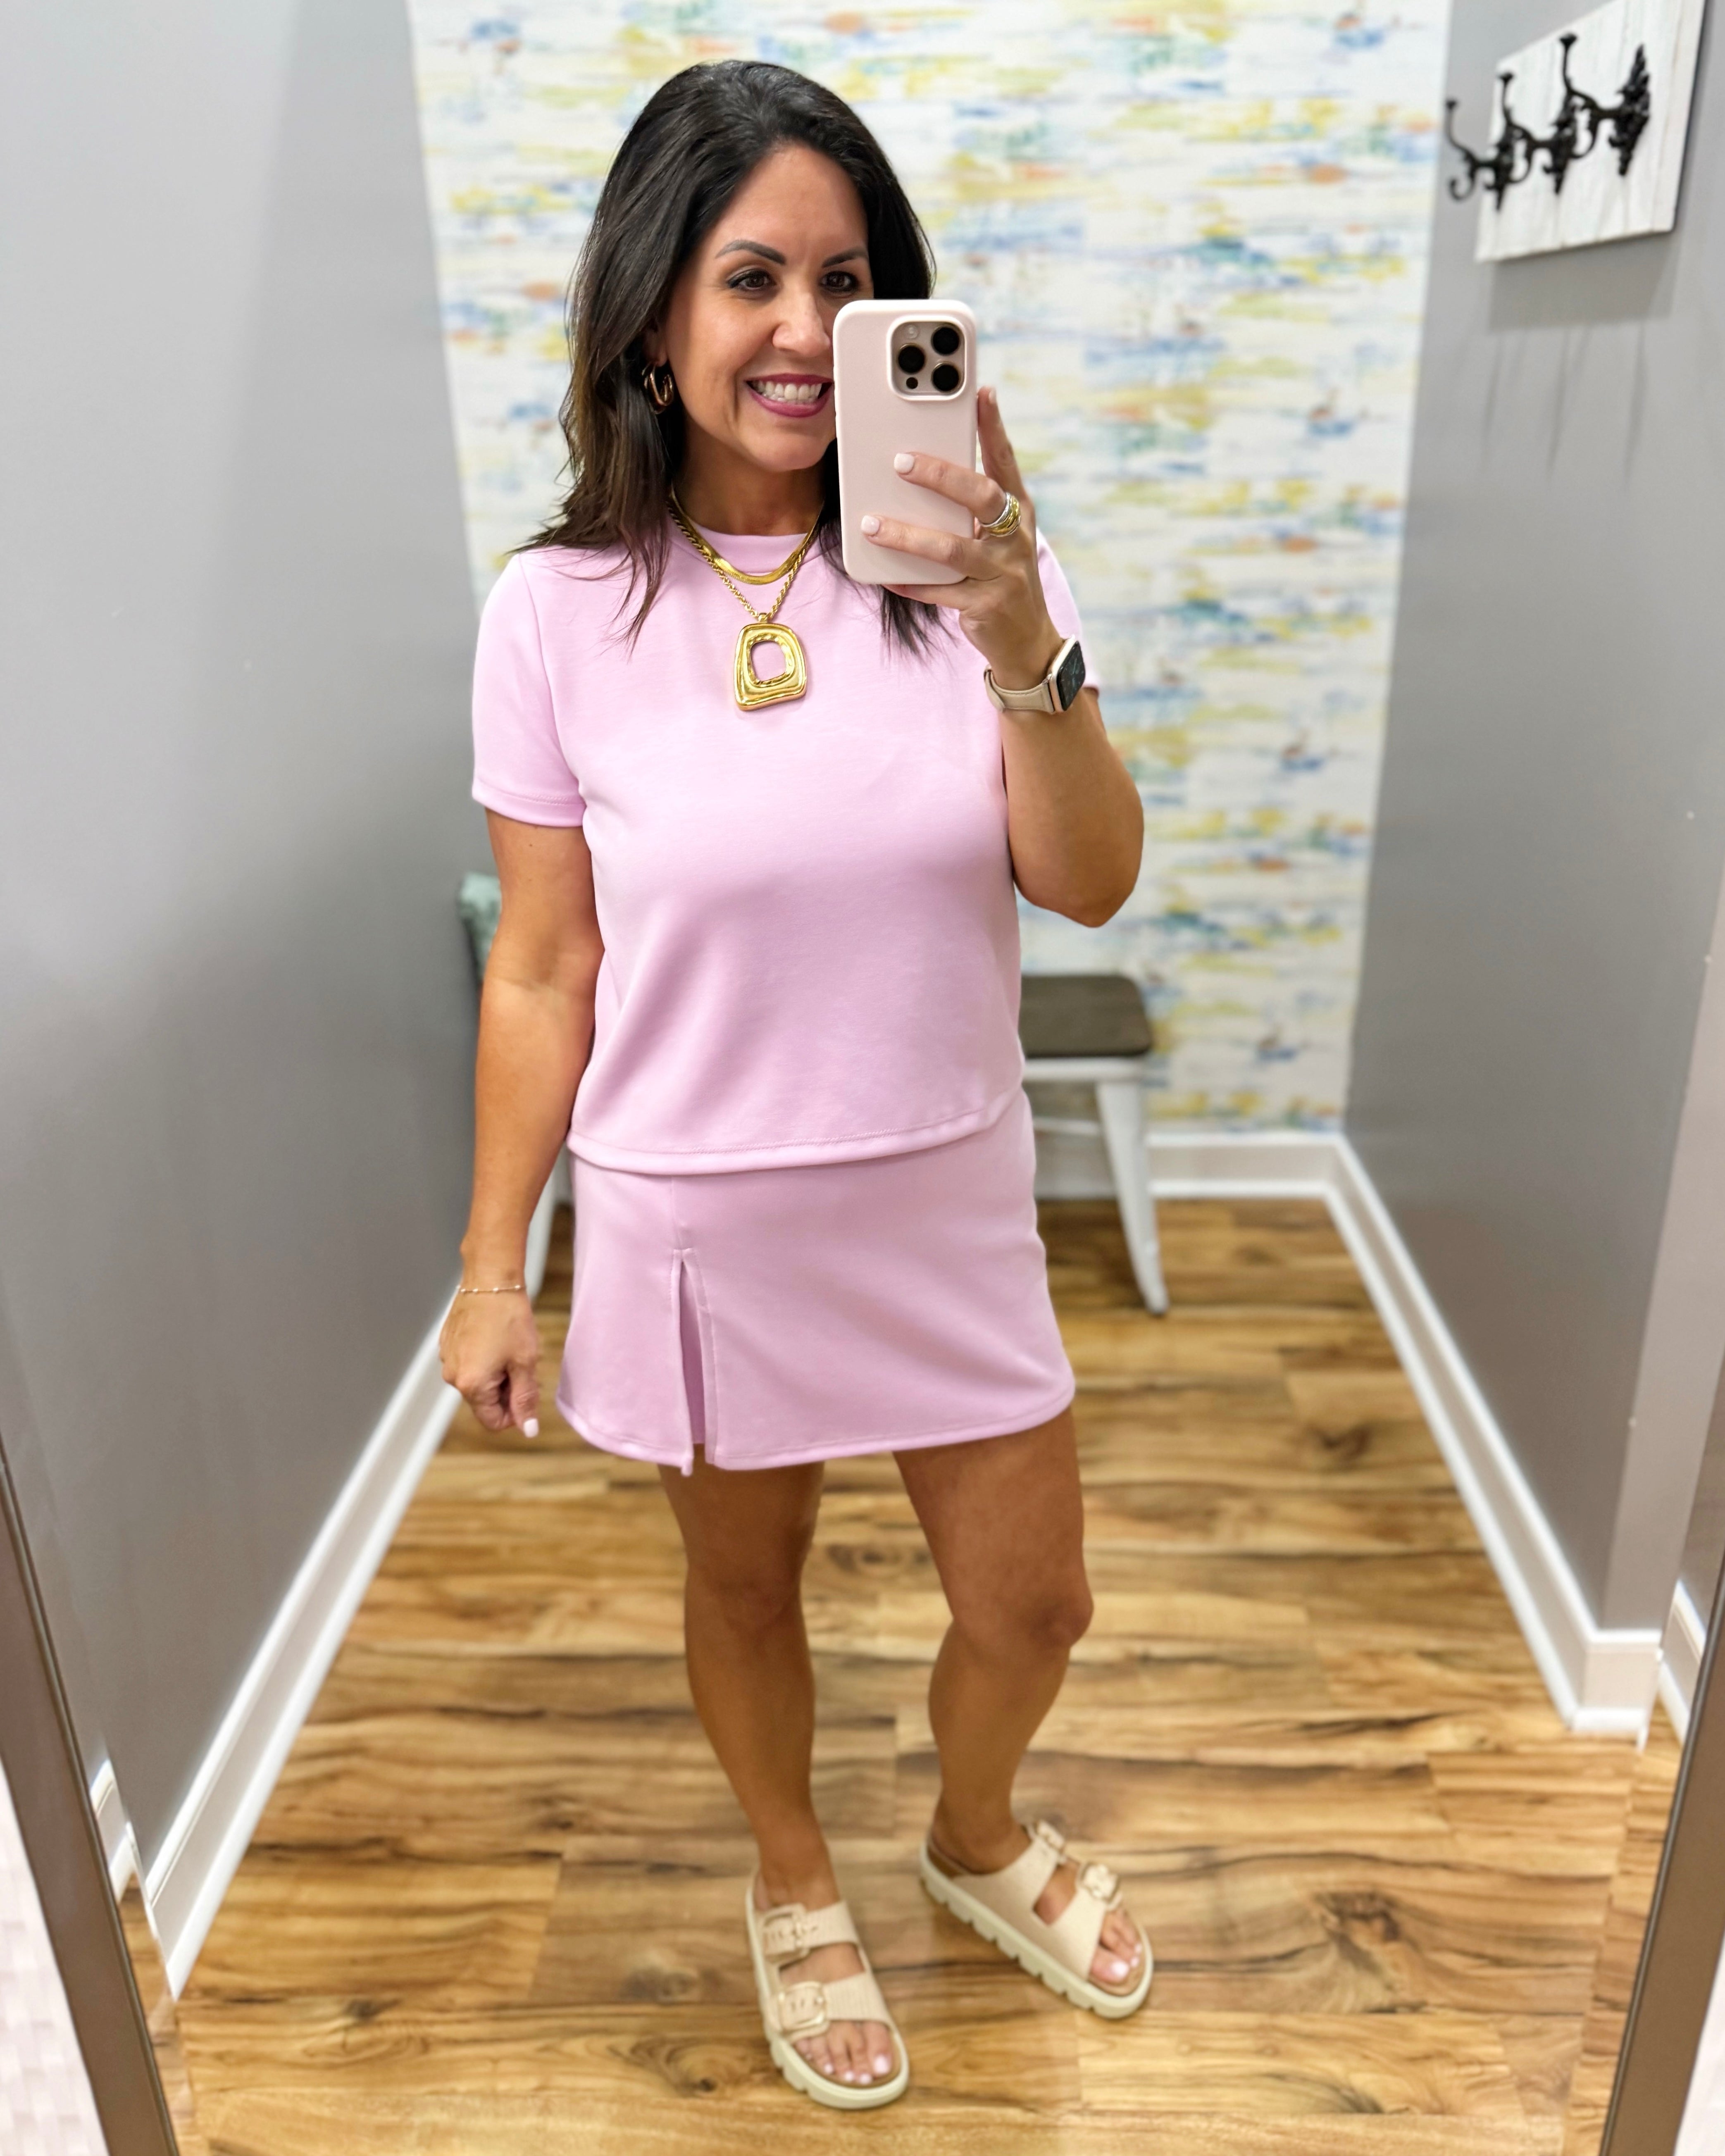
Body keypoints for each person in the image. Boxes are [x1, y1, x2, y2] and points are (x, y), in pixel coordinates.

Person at [440, 57, 1149, 2113]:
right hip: (698, 1209)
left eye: (844, 282)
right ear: (655, 312)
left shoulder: (974, 565)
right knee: (741, 1588)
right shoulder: (558, 612)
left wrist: (1019, 622)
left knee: (1036, 1603)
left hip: (940, 1193)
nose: (797, 331)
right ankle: (794, 1875)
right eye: (748, 275)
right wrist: (501, 1266)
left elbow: (1088, 884)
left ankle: (974, 1832)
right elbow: (543, 964)